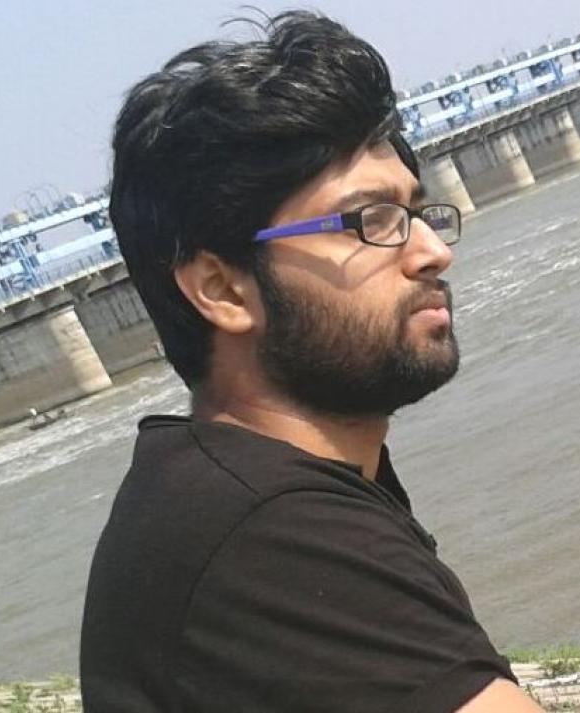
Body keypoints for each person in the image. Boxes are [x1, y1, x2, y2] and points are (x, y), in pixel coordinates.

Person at [80, 11, 543, 713]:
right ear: (222, 289)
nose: (432, 251)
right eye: (370, 221)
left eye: (415, 213)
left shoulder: (233, 485)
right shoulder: (271, 538)